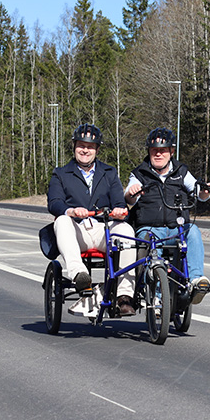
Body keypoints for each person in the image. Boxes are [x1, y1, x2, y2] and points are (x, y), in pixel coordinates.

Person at [47, 123, 136, 316]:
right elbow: (54, 202)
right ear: (74, 147)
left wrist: (120, 211)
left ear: (97, 149)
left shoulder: (109, 173)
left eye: (90, 146)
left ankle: (124, 296)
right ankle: (80, 275)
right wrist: (70, 211)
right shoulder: (61, 173)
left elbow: (120, 203)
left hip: (103, 229)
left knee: (127, 230)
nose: (85, 150)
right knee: (61, 221)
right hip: (78, 231)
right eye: (81, 145)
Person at [124, 127, 210, 304]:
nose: (158, 154)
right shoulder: (139, 173)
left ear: (171, 151)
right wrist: (133, 192)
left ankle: (196, 280)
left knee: (194, 231)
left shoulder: (181, 172)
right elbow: (128, 198)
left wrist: (208, 190)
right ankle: (157, 294)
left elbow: (199, 192)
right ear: (149, 152)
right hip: (150, 228)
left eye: (163, 150)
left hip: (177, 229)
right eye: (154, 151)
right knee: (150, 244)